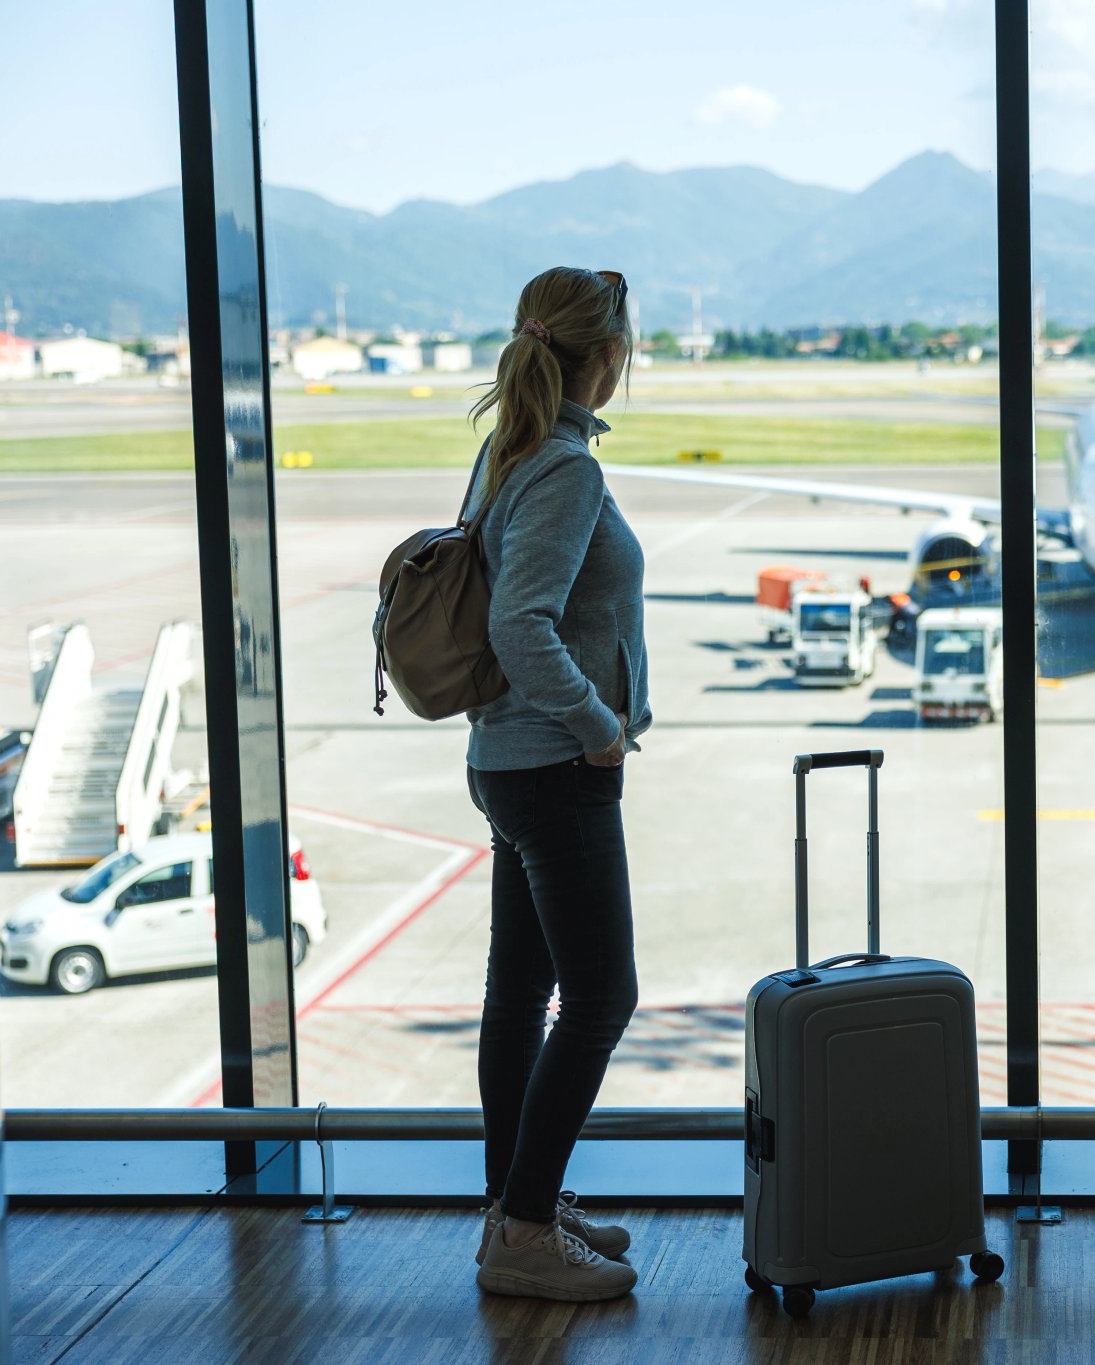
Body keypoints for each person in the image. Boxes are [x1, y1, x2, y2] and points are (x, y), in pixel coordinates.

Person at [463, 267, 645, 1302]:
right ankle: (526, 1227)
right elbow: (517, 623)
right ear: (606, 357)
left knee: (523, 991)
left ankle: (515, 1204)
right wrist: (599, 727)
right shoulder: (564, 468)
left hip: (507, 764)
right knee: (601, 996)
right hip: (554, 766)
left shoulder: (509, 448)